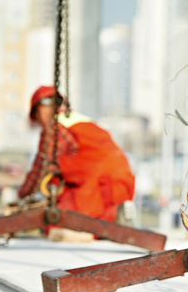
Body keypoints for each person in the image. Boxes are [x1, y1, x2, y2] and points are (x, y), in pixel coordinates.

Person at [16, 86, 135, 225]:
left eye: (37, 119)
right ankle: (119, 214)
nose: (40, 123)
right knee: (99, 223)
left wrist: (21, 194)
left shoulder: (53, 127)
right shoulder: (77, 120)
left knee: (61, 222)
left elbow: (41, 166)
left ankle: (113, 215)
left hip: (98, 182)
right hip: (119, 181)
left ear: (40, 109)